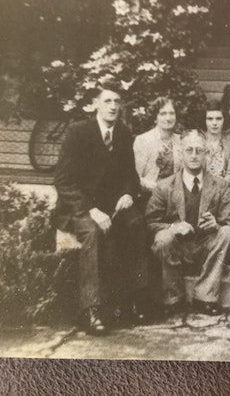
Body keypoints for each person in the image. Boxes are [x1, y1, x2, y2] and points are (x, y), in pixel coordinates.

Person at [53, 81, 149, 335]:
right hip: (79, 208)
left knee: (136, 223)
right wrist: (91, 210)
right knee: (93, 234)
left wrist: (128, 193)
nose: (113, 106)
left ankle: (133, 299)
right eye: (107, 101)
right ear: (95, 104)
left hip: (113, 206)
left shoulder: (124, 134)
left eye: (117, 101)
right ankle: (90, 310)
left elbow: (130, 175)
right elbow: (63, 180)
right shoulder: (78, 132)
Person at [145, 130, 230, 316]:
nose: (194, 155)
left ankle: (205, 297)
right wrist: (173, 228)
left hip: (207, 248)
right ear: (180, 153)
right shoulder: (165, 186)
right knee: (163, 237)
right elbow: (150, 222)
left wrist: (217, 226)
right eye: (189, 150)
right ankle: (174, 298)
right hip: (177, 249)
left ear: (207, 154)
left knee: (227, 233)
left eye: (199, 150)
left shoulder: (220, 185)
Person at [133, 97, 182, 196]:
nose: (168, 118)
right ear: (155, 118)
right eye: (163, 114)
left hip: (175, 197)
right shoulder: (143, 140)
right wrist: (158, 188)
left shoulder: (180, 141)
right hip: (149, 196)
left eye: (171, 113)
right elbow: (135, 177)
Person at [199, 99, 230, 188]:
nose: (214, 123)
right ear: (204, 120)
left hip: (225, 188)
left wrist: (217, 188)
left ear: (224, 120)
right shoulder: (197, 141)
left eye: (218, 119)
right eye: (210, 119)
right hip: (201, 187)